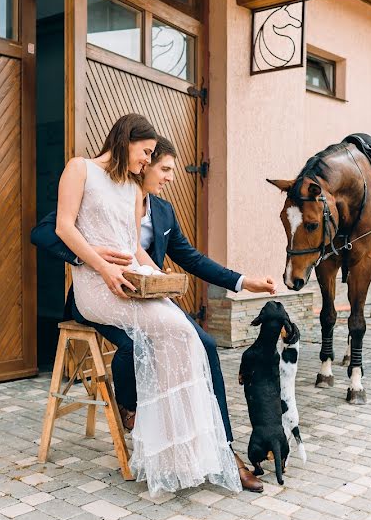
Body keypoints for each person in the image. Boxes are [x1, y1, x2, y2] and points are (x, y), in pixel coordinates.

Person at [32, 131, 276, 493]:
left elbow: (190, 258)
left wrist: (242, 282)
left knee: (203, 343)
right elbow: (46, 232)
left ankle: (216, 449)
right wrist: (97, 258)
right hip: (98, 296)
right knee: (137, 345)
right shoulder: (93, 183)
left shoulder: (162, 211)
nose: (166, 175)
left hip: (143, 291)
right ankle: (133, 411)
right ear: (138, 162)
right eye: (160, 165)